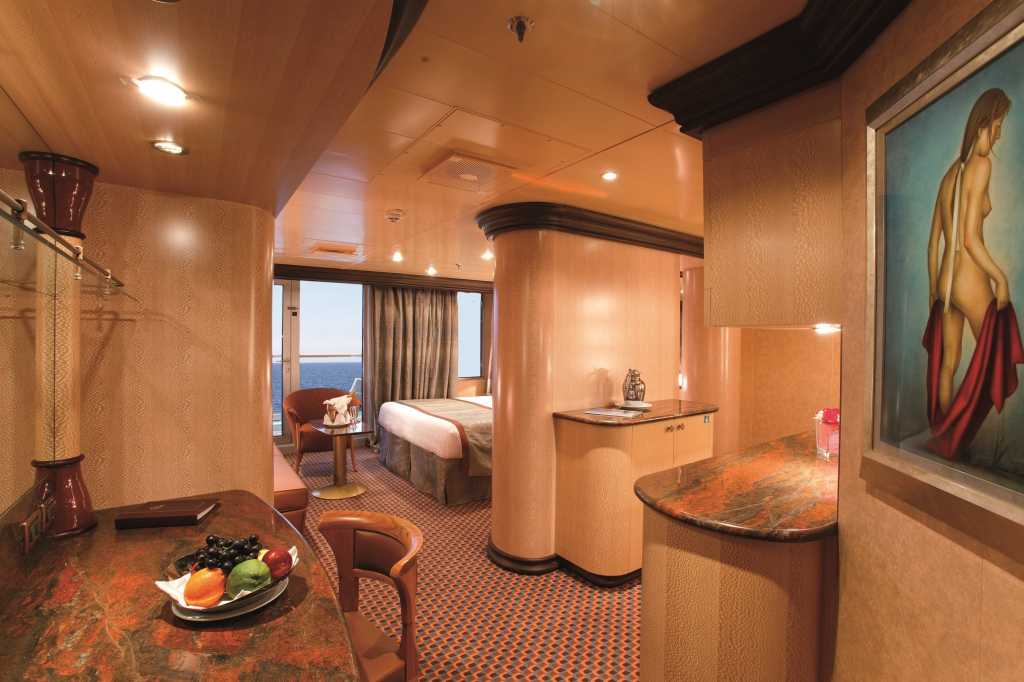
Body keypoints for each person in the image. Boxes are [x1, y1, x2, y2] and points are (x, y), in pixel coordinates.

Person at [922, 88, 1024, 460]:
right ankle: (971, 445)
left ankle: (947, 444)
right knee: (993, 359)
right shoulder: (981, 165)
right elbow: (969, 238)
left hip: (946, 282)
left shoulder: (948, 175)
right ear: (985, 122)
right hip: (968, 278)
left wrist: (934, 291)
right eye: (998, 124)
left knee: (948, 365)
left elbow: (933, 245)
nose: (999, 133)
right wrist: (1001, 278)